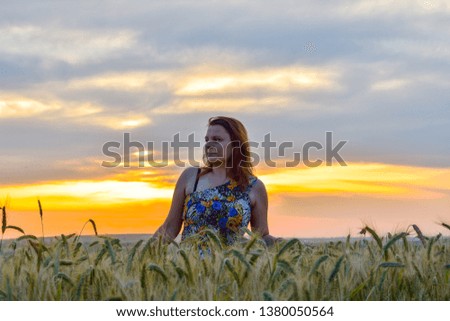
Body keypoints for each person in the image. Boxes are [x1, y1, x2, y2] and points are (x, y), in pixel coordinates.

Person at [153, 116, 280, 249]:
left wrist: (286, 245)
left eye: (217, 140)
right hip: (190, 266)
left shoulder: (254, 187)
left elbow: (260, 237)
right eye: (207, 140)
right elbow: (169, 228)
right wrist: (140, 257)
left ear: (236, 145)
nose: (209, 144)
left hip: (230, 267)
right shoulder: (191, 177)